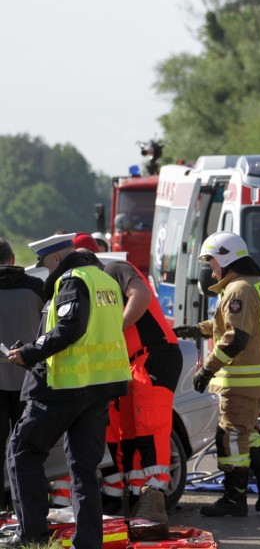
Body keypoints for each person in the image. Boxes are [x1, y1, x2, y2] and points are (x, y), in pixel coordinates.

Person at [5, 233, 130, 549]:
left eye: (46, 265)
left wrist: (30, 353)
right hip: (100, 385)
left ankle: (31, 534)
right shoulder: (104, 280)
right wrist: (33, 349)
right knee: (83, 467)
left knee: (22, 451)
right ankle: (88, 542)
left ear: (57, 258)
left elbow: (70, 328)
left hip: (65, 386)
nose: (47, 272)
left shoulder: (73, 279)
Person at [72, 234, 183, 540]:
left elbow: (141, 297)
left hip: (153, 356)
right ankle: (136, 503)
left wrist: (112, 329)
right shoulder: (94, 285)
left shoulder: (115, 270)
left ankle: (152, 503)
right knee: (125, 434)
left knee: (149, 428)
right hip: (128, 363)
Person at [172, 231, 260, 517]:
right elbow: (233, 323)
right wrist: (198, 328)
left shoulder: (238, 289)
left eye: (212, 261)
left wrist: (207, 369)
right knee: (247, 431)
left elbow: (235, 337)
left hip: (240, 380)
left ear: (226, 258)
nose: (211, 268)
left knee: (230, 436)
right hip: (259, 377)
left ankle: (234, 498)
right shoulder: (258, 284)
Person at [0, 238, 44, 510]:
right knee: (28, 450)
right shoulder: (37, 287)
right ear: (13, 259)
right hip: (29, 380)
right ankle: (27, 511)